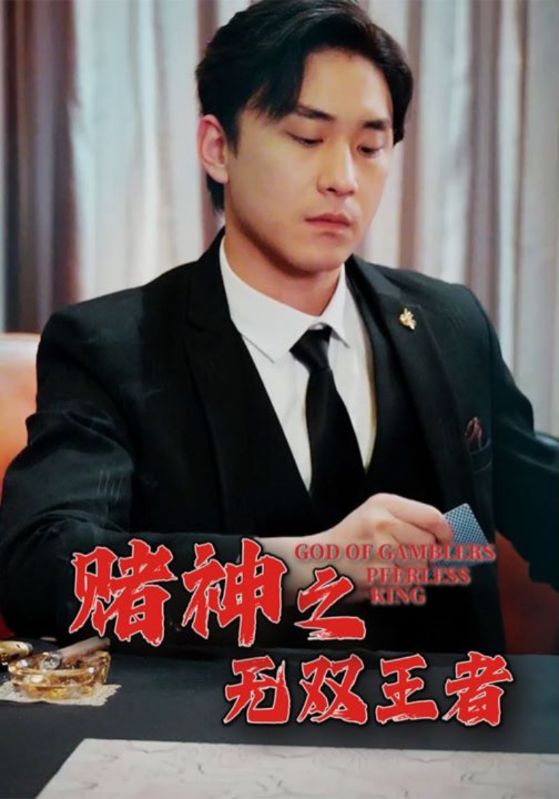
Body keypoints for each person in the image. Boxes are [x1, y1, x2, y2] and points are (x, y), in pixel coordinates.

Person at [0, 0, 557, 654]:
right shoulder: (112, 347)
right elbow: (43, 568)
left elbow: (539, 504)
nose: (343, 180)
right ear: (218, 148)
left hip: (443, 710)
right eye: (306, 138)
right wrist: (299, 568)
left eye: (370, 147)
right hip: (221, 716)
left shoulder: (449, 324)